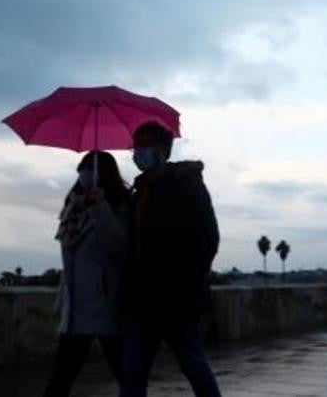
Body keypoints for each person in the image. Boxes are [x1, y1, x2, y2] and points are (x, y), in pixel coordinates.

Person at [120, 121, 221, 397]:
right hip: (142, 300)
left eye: (143, 146)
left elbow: (208, 238)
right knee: (132, 375)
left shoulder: (185, 184)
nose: (137, 152)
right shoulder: (139, 191)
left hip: (179, 300)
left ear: (162, 150)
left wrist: (185, 282)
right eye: (135, 146)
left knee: (193, 366)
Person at [43, 150, 130, 397]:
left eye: (90, 168)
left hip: (106, 303)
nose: (85, 173)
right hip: (77, 306)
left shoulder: (121, 204)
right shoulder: (74, 206)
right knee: (61, 378)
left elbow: (118, 245)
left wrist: (100, 207)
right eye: (82, 168)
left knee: (126, 374)